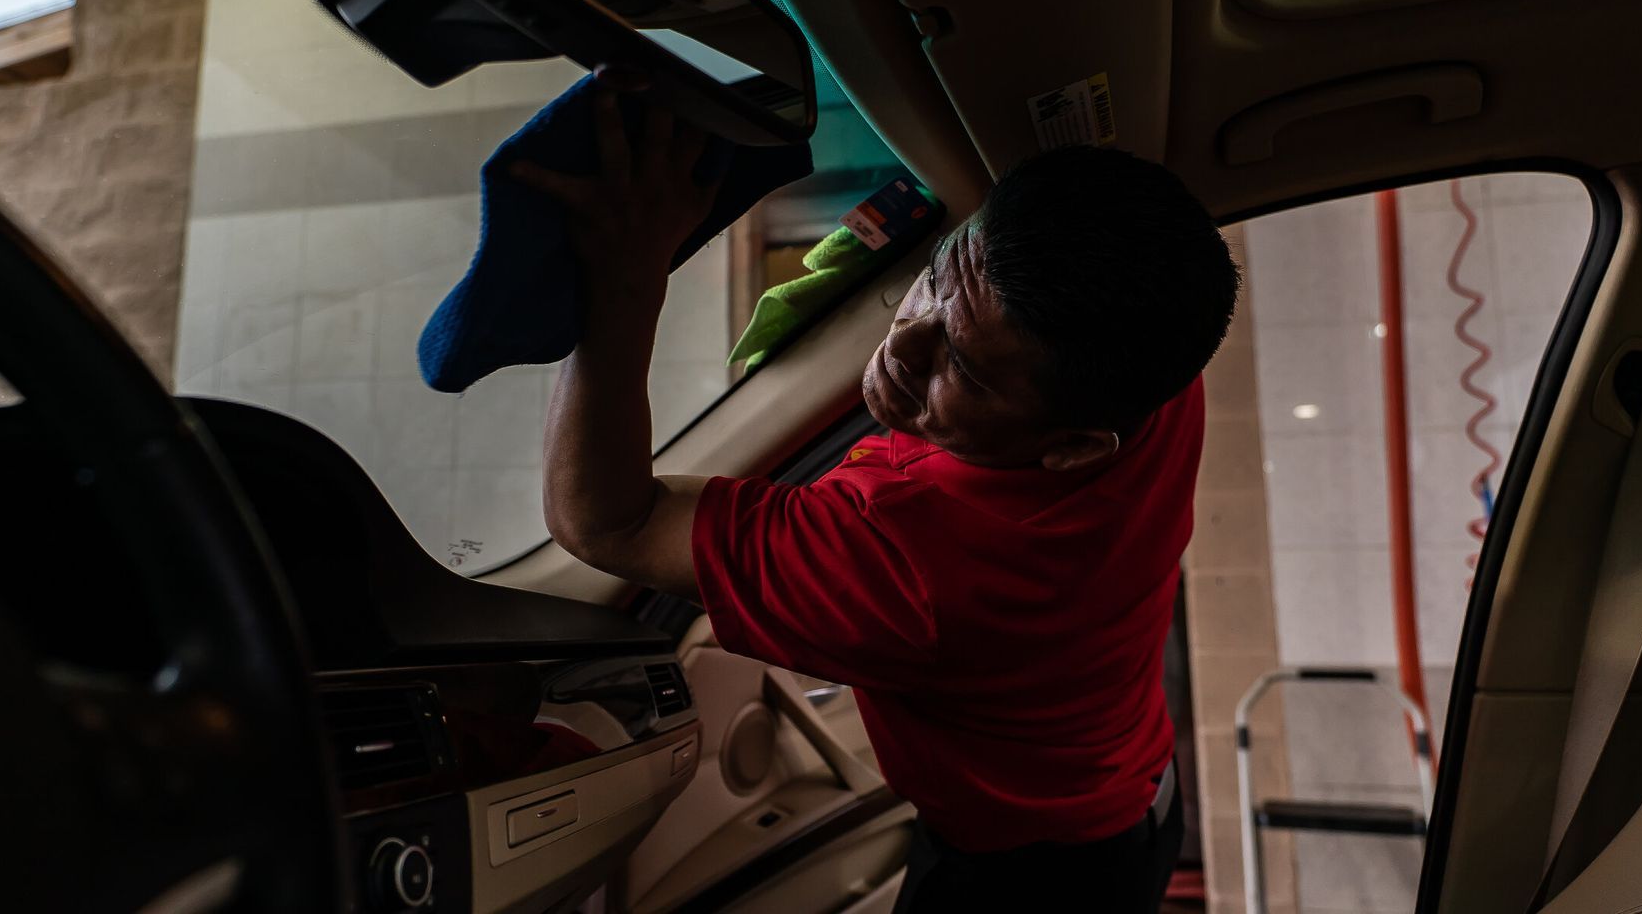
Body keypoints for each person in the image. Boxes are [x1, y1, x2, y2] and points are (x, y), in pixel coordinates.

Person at [513, 92, 1239, 911]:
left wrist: (623, 282)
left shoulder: (909, 561)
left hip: (1030, 874)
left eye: (960, 367)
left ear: (1071, 445)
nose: (903, 339)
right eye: (934, 280)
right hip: (1131, 786)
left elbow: (607, 520)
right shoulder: (1149, 370)